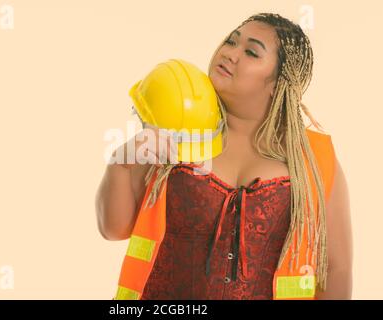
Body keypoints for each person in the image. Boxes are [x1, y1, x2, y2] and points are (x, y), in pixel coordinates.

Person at [95, 12, 352, 300]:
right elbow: (113, 228)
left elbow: (336, 268)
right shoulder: (175, 126)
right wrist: (120, 163)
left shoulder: (314, 159)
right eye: (231, 41)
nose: (230, 53)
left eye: (251, 52)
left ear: (278, 83)